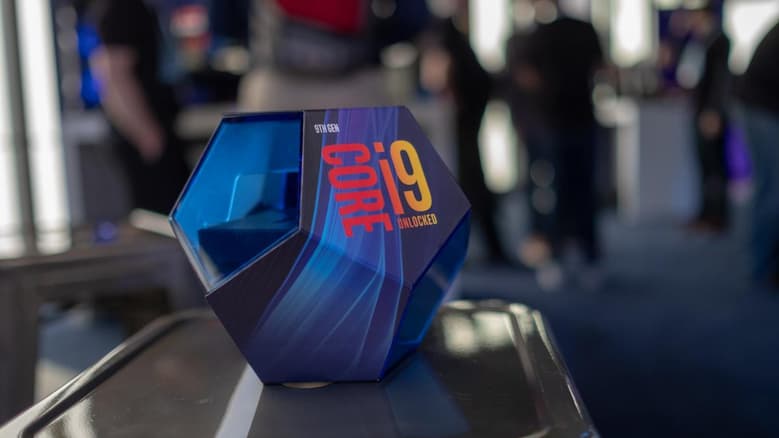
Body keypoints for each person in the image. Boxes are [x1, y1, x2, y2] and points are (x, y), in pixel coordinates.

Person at [511, 0, 603, 283]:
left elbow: (526, 78)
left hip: (552, 124)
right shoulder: (585, 30)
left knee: (554, 193)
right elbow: (599, 68)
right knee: (582, 190)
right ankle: (586, 255)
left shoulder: (536, 35)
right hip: (579, 120)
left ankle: (557, 255)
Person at [421, 2, 512, 265]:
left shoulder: (450, 34)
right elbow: (439, 76)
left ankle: (486, 248)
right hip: (458, 124)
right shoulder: (445, 32)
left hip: (464, 123)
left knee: (469, 184)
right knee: (466, 185)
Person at [89, 0, 190, 214]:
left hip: (158, 128)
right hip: (146, 134)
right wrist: (145, 132)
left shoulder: (138, 8)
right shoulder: (123, 8)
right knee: (158, 213)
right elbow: (113, 77)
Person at [737, 21, 779, 289]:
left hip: (764, 106)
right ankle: (762, 266)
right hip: (763, 109)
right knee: (773, 190)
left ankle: (765, 264)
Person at [686, 4, 731, 233]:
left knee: (715, 166)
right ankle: (706, 213)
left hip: (710, 113)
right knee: (704, 166)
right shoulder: (702, 41)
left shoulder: (719, 41)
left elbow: (721, 81)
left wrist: (714, 111)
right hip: (700, 110)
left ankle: (717, 216)